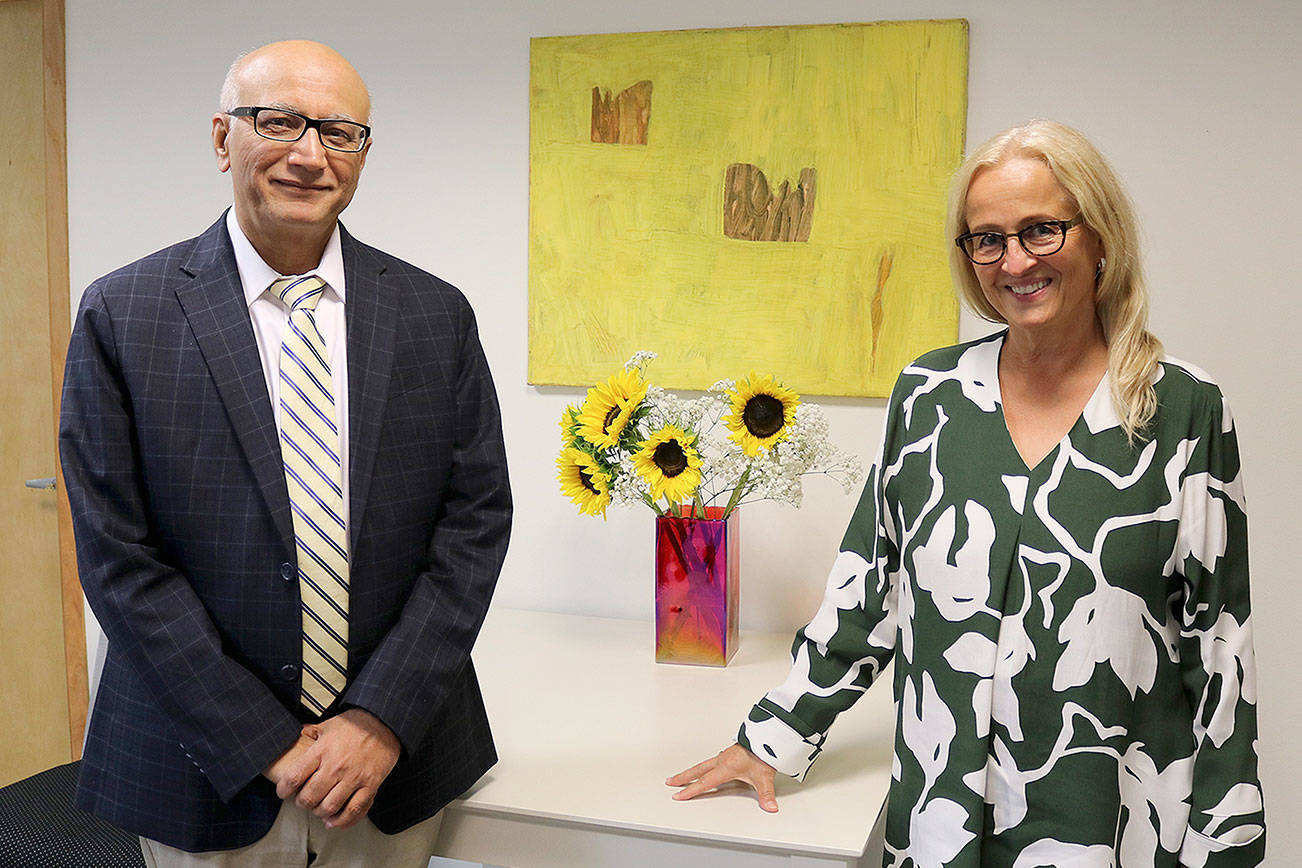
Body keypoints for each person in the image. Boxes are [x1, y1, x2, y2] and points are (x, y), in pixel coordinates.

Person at [668, 120, 1265, 867]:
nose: (1015, 260)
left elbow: (1220, 647)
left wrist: (1228, 842)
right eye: (987, 239)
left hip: (1112, 824)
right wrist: (770, 740)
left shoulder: (1184, 409)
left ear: (1099, 235)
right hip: (943, 817)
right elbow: (868, 591)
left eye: (1042, 230)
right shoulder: (929, 396)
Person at [59, 40, 511, 865]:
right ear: (222, 137)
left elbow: (475, 526)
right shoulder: (123, 315)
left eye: (339, 132)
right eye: (280, 122)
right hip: (201, 761)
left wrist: (379, 720)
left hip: (390, 761)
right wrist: (264, 740)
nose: (310, 154)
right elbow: (119, 557)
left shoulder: (433, 313)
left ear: (363, 154)